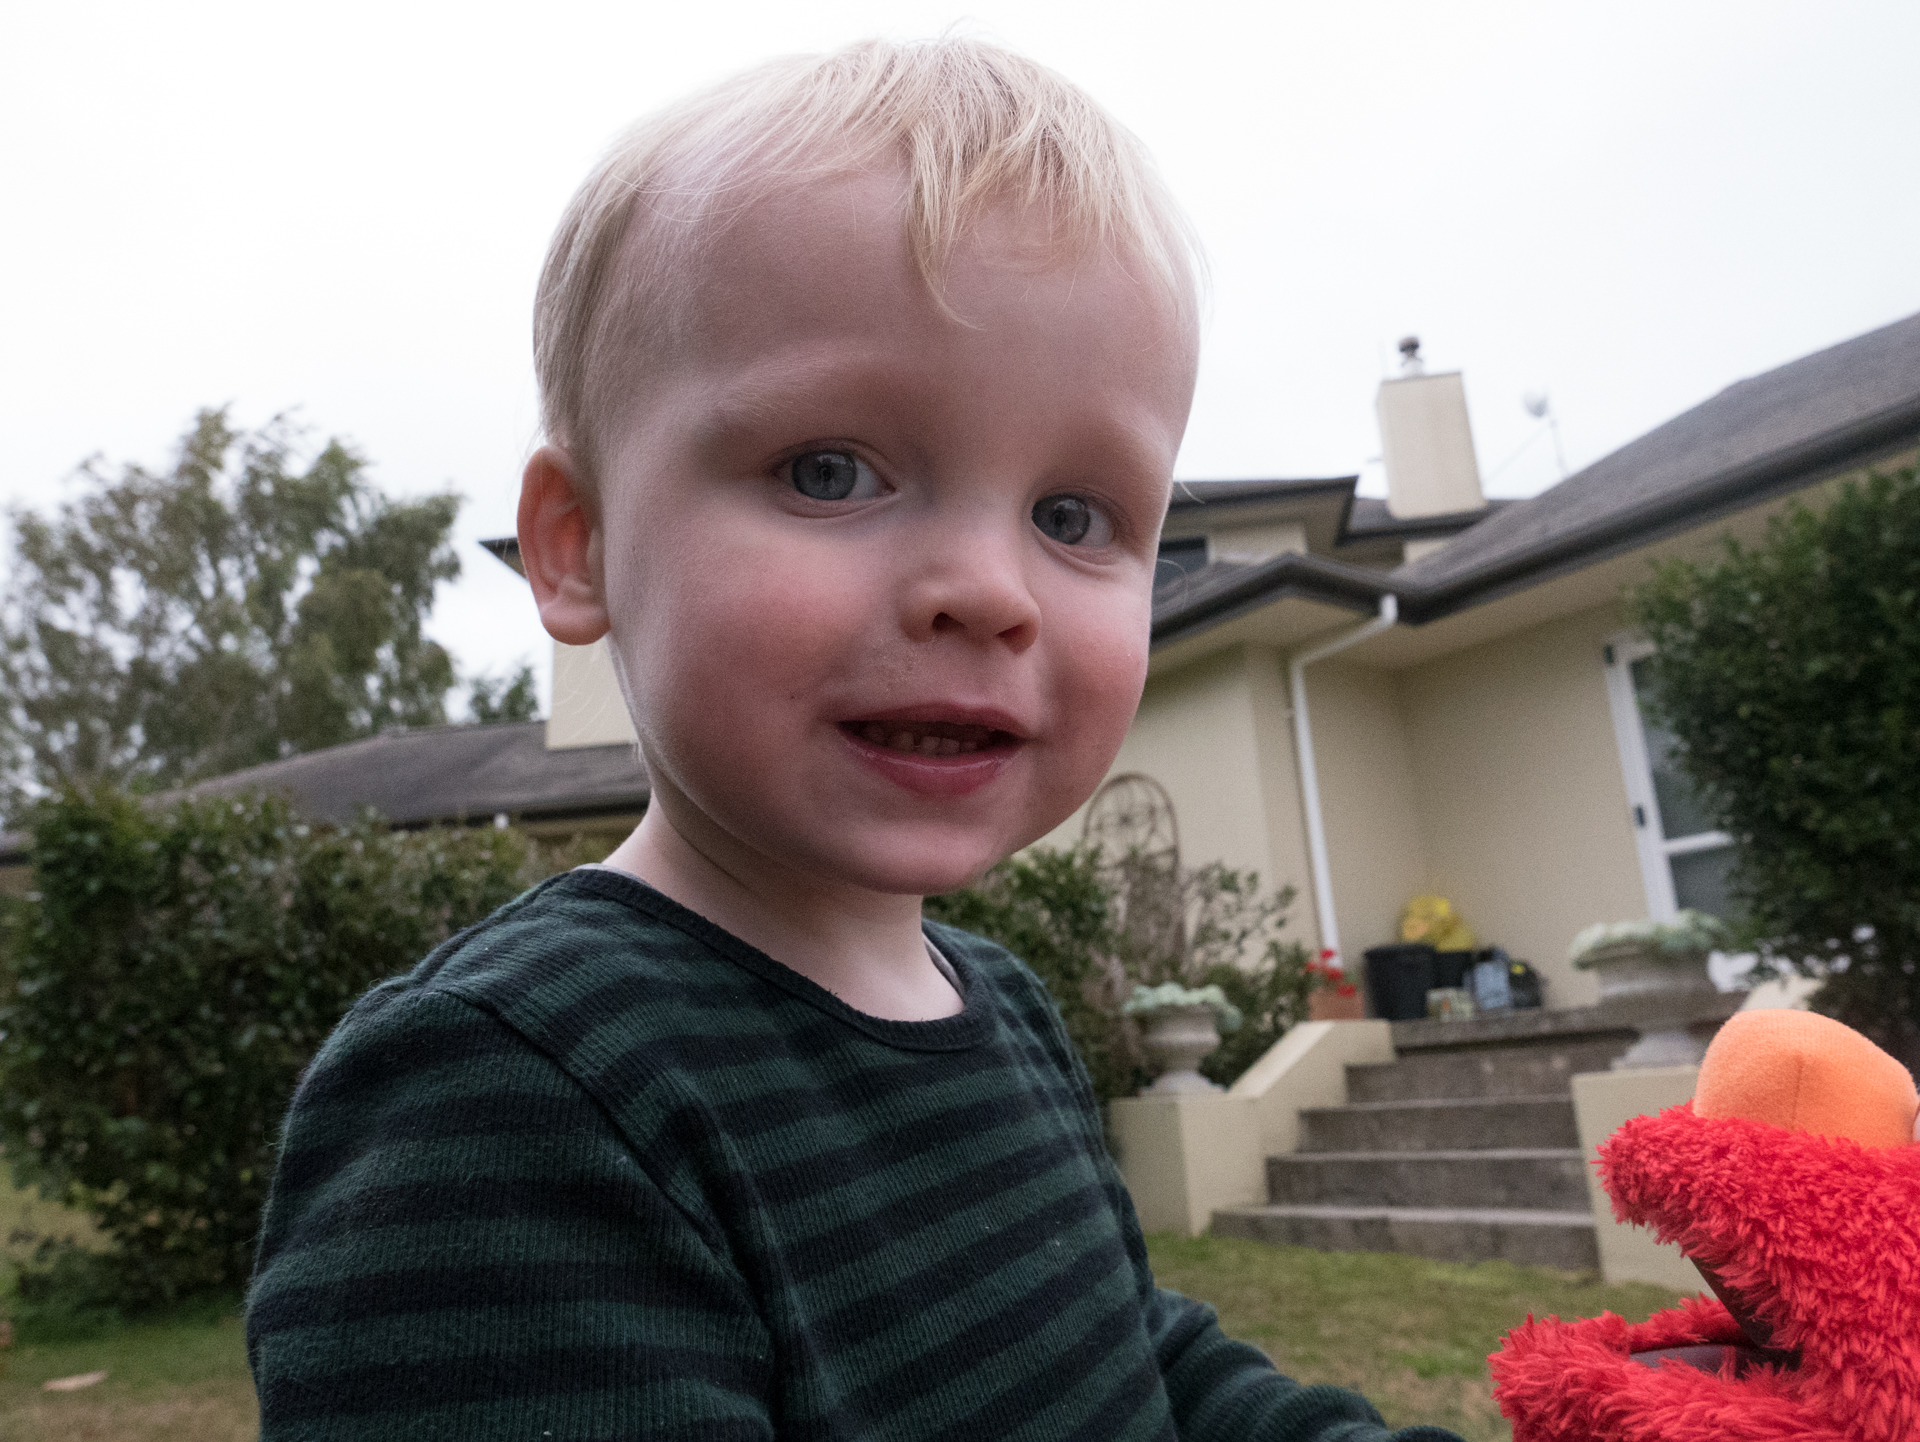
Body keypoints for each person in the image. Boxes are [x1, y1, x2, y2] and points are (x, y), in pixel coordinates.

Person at [245, 36, 1463, 1442]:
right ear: (577, 546)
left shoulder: (1000, 1009)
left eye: (1073, 515)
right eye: (831, 472)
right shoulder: (507, 1095)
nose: (989, 591)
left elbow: (1127, 1349)